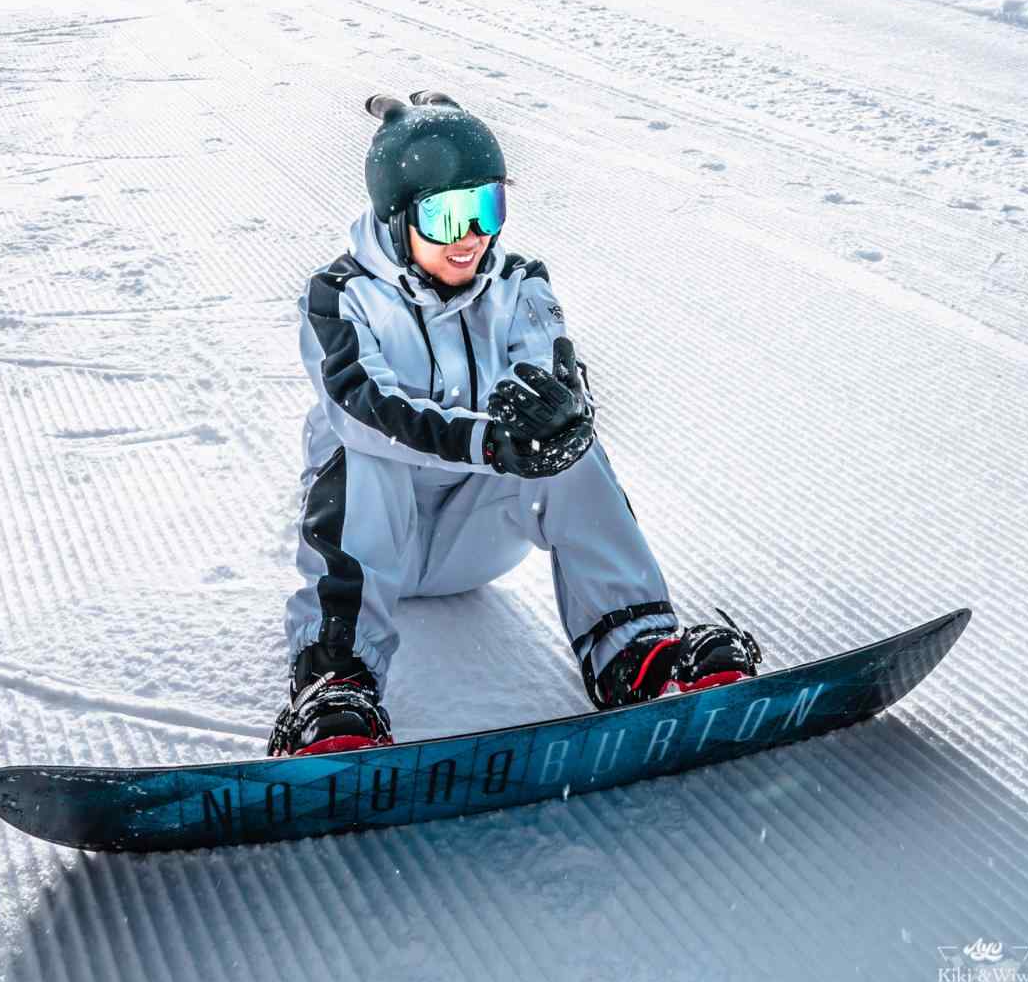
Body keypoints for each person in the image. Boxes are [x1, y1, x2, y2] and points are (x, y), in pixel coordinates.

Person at [269, 91, 762, 757]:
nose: (472, 235)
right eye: (446, 215)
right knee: (364, 455)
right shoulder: (342, 296)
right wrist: (486, 439)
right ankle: (336, 683)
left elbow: (552, 378)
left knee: (567, 448)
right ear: (396, 219)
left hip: (478, 537)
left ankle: (636, 653)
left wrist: (560, 419)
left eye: (488, 207)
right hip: (375, 544)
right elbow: (365, 406)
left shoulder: (519, 284)